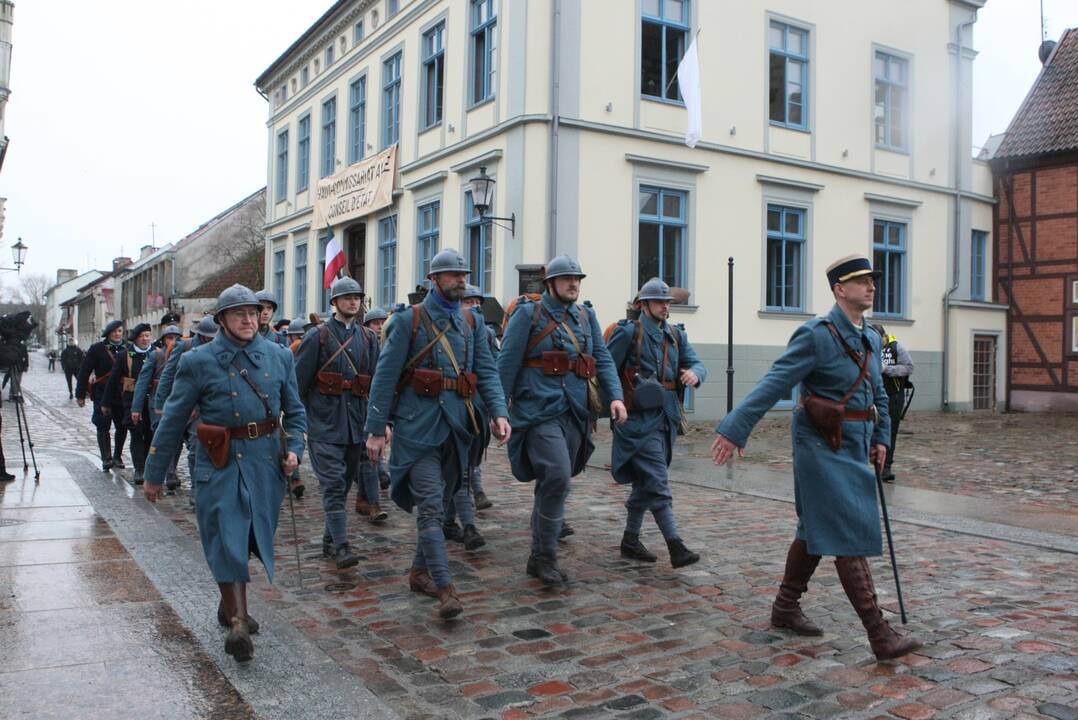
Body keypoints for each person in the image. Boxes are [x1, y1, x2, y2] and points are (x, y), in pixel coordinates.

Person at [711, 254, 921, 661]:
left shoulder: (872, 337)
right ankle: (880, 635)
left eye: (872, 280)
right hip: (820, 444)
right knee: (845, 531)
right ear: (840, 289)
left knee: (813, 529)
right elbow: (776, 382)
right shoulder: (816, 335)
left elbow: (878, 392)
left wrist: (882, 440)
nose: (872, 287)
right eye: (862, 281)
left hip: (857, 441)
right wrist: (736, 425)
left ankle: (785, 608)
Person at [143, 284, 306, 663]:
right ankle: (237, 621)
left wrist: (295, 450)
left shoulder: (279, 356)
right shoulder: (197, 360)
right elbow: (173, 419)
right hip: (219, 461)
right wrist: (154, 472)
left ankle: (229, 603)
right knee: (226, 534)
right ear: (222, 321)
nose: (249, 320)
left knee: (249, 538)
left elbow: (296, 414)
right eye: (239, 314)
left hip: (266, 463)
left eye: (253, 313)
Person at [364, 249, 510, 619]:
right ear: (434, 280)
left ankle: (419, 572)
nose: (461, 280)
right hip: (417, 429)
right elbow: (384, 377)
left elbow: (487, 373)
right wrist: (376, 430)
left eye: (464, 274)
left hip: (458, 428)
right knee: (430, 505)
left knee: (443, 503)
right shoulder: (407, 321)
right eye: (452, 275)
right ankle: (446, 588)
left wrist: (498, 412)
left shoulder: (473, 322)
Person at [497, 255, 627, 585]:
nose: (574, 284)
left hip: (576, 411)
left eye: (577, 279)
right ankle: (544, 556)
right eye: (567, 279)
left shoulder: (586, 316)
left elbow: (604, 359)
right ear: (551, 283)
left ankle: (539, 550)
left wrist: (615, 397)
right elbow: (507, 364)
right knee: (557, 475)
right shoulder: (529, 314)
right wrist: (498, 411)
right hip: (538, 409)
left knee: (557, 479)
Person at [606, 278, 706, 568]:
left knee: (644, 482)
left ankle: (630, 539)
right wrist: (614, 403)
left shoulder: (675, 335)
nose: (665, 306)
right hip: (635, 420)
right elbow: (606, 369)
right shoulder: (629, 333)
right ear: (643, 305)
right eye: (660, 301)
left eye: (668, 302)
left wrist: (696, 374)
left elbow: (697, 363)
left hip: (666, 418)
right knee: (658, 482)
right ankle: (676, 546)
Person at [294, 277, 379, 569]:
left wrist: (379, 422)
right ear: (334, 303)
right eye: (347, 298)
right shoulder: (317, 337)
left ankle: (330, 539)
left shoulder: (368, 338)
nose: (353, 302)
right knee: (332, 484)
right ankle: (342, 546)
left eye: (357, 297)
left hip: (356, 424)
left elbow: (376, 383)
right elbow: (298, 384)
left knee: (342, 486)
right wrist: (298, 422)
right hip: (324, 424)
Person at [441, 284, 496, 550]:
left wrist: (498, 409)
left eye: (476, 301)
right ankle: (469, 525)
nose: (472, 305)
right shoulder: (438, 328)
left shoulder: (483, 331)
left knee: (462, 467)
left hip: (477, 409)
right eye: (467, 301)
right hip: (449, 410)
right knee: (460, 470)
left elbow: (490, 370)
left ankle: (449, 522)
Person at [154, 316, 219, 498]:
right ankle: (193, 490)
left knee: (200, 447)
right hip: (185, 403)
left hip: (208, 405)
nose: (212, 340)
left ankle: (201, 491)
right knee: (189, 446)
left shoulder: (223, 346)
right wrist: (160, 404)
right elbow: (168, 375)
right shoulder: (185, 347)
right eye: (208, 337)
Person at [103, 324, 155, 485]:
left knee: (151, 435)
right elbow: (112, 380)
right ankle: (139, 468)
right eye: (142, 336)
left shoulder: (157, 353)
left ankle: (148, 466)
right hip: (132, 401)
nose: (145, 339)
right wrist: (106, 402)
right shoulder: (126, 355)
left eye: (148, 335)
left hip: (153, 400)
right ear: (136, 338)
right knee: (137, 434)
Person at [132, 324, 182, 489]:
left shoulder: (185, 354)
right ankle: (164, 472)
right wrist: (136, 408)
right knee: (161, 436)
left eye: (176, 338)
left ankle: (171, 470)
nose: (173, 341)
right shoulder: (156, 356)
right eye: (170, 338)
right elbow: (142, 383)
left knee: (178, 438)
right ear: (163, 340)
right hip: (157, 402)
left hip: (178, 401)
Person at [76, 320, 128, 471]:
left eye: (120, 331)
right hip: (102, 392)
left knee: (122, 425)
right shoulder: (97, 349)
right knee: (102, 425)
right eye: (114, 332)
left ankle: (117, 456)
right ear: (108, 333)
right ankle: (106, 458)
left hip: (122, 393)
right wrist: (80, 394)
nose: (117, 334)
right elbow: (84, 371)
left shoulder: (128, 348)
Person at [355, 306, 391, 520]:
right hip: (357, 403)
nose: (379, 327)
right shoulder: (362, 342)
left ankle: (371, 502)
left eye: (382, 322)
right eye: (375, 323)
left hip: (376, 406)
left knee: (368, 455)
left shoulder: (392, 342)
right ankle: (368, 498)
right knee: (361, 456)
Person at [873, 323, 914, 484]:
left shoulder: (897, 347)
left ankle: (886, 467)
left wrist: (887, 369)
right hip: (874, 395)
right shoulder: (869, 345)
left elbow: (909, 367)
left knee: (890, 430)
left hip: (893, 395)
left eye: (879, 340)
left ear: (884, 337)